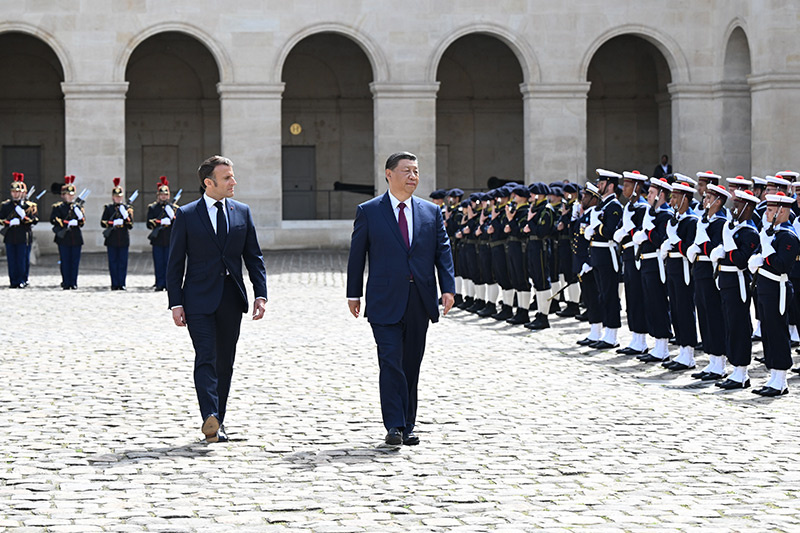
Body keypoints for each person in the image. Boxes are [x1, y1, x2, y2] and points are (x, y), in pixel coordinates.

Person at [346, 151, 455, 446]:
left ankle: (408, 424)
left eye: (416, 172)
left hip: (419, 299)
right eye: (406, 171)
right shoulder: (369, 211)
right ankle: (393, 424)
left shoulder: (430, 212)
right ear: (388, 174)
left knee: (411, 364)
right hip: (384, 299)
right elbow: (357, 256)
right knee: (390, 361)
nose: (413, 177)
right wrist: (353, 292)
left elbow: (442, 251)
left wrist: (447, 287)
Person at [167, 155, 268, 443]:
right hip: (197, 299)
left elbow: (254, 257)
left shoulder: (242, 212)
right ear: (208, 183)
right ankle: (209, 416)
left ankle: (218, 422)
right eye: (227, 178)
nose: (233, 182)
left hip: (231, 300)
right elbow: (175, 263)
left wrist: (261, 294)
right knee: (206, 358)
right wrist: (176, 303)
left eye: (233, 176)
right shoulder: (186, 214)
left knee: (225, 362)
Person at [748, 192, 799, 396]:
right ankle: (773, 376)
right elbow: (760, 253)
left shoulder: (788, 236)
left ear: (782, 211)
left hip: (777, 288)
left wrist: (766, 254)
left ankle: (781, 380)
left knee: (778, 332)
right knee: (768, 333)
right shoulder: (771, 232)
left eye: (770, 210)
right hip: (765, 287)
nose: (766, 213)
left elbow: (782, 264)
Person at [583, 169, 623, 349]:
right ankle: (604, 332)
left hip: (607, 255)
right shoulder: (601, 206)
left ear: (610, 186)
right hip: (597, 254)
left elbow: (611, 233)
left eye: (602, 183)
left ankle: (612, 334)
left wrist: (597, 228)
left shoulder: (614, 206)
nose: (598, 186)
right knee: (601, 294)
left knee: (609, 295)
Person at [1, 172, 38, 288]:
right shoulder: (6, 205)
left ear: (23, 193)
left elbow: (34, 220)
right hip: (10, 235)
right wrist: (9, 222)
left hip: (23, 235)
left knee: (22, 259)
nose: (15, 194)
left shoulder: (29, 206)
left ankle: (22, 279)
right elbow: (1, 218)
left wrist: (23, 217)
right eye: (13, 191)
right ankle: (13, 280)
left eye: (18, 192)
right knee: (12, 260)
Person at [50, 175, 85, 290]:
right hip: (63, 236)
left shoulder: (78, 207)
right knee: (65, 261)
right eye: (67, 194)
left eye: (71, 194)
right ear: (62, 195)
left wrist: (78, 217)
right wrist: (66, 223)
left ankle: (73, 282)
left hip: (75, 237)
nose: (70, 197)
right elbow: (54, 219)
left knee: (75, 261)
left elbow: (82, 221)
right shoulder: (58, 207)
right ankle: (66, 281)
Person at [100, 178, 134, 290]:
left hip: (123, 238)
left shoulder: (127, 209)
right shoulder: (108, 208)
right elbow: (103, 222)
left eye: (120, 197)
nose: (118, 198)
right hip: (112, 238)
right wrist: (113, 222)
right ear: (113, 197)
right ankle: (114, 283)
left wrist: (126, 217)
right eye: (116, 196)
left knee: (123, 262)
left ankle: (122, 283)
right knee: (113, 262)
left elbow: (130, 225)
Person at [147, 176, 179, 291]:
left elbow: (179, 224)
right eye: (161, 195)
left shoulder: (174, 208)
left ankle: (168, 284)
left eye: (165, 195)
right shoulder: (153, 208)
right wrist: (160, 222)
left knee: (169, 264)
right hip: (158, 238)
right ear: (158, 195)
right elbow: (149, 223)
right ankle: (159, 283)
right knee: (159, 262)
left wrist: (173, 219)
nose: (163, 197)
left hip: (170, 239)